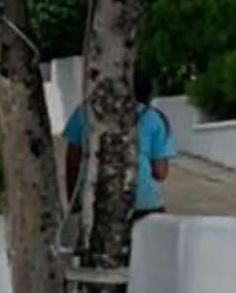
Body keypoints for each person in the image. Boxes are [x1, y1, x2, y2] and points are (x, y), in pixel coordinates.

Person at [62, 68, 172, 229]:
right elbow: (161, 172)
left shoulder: (86, 111)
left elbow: (72, 162)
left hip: (94, 198)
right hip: (143, 202)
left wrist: (74, 201)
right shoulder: (153, 117)